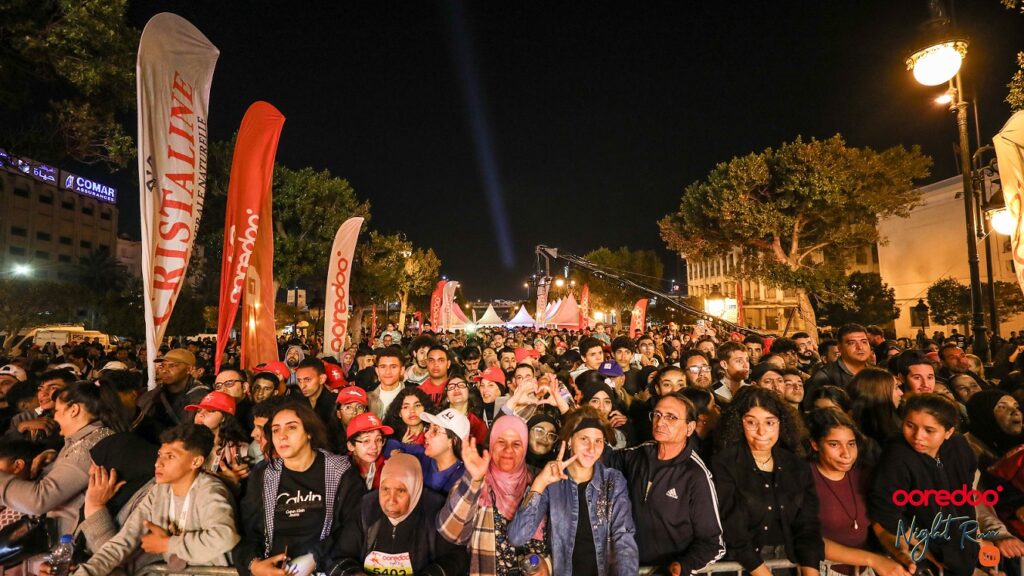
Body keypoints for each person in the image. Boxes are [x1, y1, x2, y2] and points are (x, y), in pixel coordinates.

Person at [68, 424, 239, 576]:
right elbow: (123, 541)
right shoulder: (160, 491)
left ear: (196, 462)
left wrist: (168, 544)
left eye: (170, 456)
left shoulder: (209, 490)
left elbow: (225, 536)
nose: (158, 463)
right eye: (160, 455)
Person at [234, 400, 366, 576]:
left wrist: (314, 558)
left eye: (291, 427)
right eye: (275, 430)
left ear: (309, 432)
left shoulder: (340, 471)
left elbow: (353, 526)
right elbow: (248, 531)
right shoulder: (264, 474)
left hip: (325, 567)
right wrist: (255, 564)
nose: (282, 436)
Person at [508, 407, 639, 576]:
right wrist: (540, 483)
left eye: (598, 441)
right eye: (584, 439)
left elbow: (624, 539)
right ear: (569, 440)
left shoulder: (613, 481)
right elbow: (517, 537)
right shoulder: (552, 481)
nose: (592, 448)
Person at [608, 392, 725, 575]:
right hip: (628, 569)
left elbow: (713, 543)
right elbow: (600, 458)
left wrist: (681, 566)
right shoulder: (639, 454)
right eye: (657, 414)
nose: (660, 422)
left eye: (671, 417)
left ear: (690, 427)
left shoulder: (696, 475)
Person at [712, 386, 824, 576]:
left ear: (781, 423)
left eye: (770, 422)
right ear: (738, 423)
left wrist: (811, 571)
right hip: (742, 567)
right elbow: (732, 529)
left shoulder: (797, 465)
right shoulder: (724, 464)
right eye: (751, 422)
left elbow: (808, 524)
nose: (761, 431)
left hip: (786, 562)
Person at [868, 394, 979, 576]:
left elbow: (966, 492)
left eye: (929, 430)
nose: (917, 436)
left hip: (963, 543)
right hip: (923, 549)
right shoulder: (897, 455)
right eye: (910, 425)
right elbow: (886, 512)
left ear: (948, 432)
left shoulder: (959, 447)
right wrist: (928, 552)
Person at [0, 380, 126, 535]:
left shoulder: (89, 447)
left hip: (69, 539)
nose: (55, 417)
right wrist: (52, 459)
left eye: (57, 411)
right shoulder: (88, 438)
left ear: (74, 410)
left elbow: (39, 499)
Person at [437, 416, 551, 576]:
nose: (508, 449)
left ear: (525, 446)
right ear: (491, 444)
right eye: (501, 442)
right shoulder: (477, 479)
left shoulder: (542, 479)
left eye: (516, 444)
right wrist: (474, 480)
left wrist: (548, 566)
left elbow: (560, 538)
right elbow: (450, 532)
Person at [807, 408, 910, 576]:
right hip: (823, 569)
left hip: (865, 569)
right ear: (815, 444)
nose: (846, 454)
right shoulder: (804, 477)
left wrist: (898, 551)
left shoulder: (864, 475)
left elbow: (879, 525)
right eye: (834, 444)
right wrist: (874, 560)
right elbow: (807, 539)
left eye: (851, 444)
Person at [335, 453, 470, 575]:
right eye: (385, 489)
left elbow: (457, 558)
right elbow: (339, 556)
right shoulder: (367, 507)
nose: (391, 500)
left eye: (400, 491)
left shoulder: (434, 509)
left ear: (414, 487)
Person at [186, 390, 251, 489]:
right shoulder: (184, 445)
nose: (201, 414)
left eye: (210, 410)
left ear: (224, 417)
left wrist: (237, 482)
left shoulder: (239, 450)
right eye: (198, 410)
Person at [346, 412, 392, 490]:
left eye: (378, 439)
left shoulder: (387, 467)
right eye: (366, 440)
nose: (374, 447)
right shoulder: (341, 470)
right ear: (351, 446)